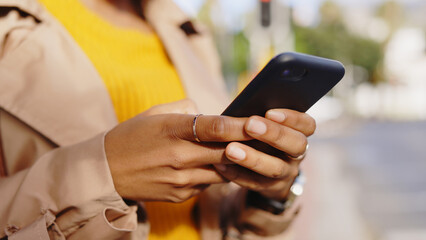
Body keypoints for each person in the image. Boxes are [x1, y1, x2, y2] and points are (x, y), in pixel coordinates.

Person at [0, 0, 316, 239]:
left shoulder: (187, 33)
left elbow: (214, 215)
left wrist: (270, 192)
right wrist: (102, 172)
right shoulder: (10, 20)